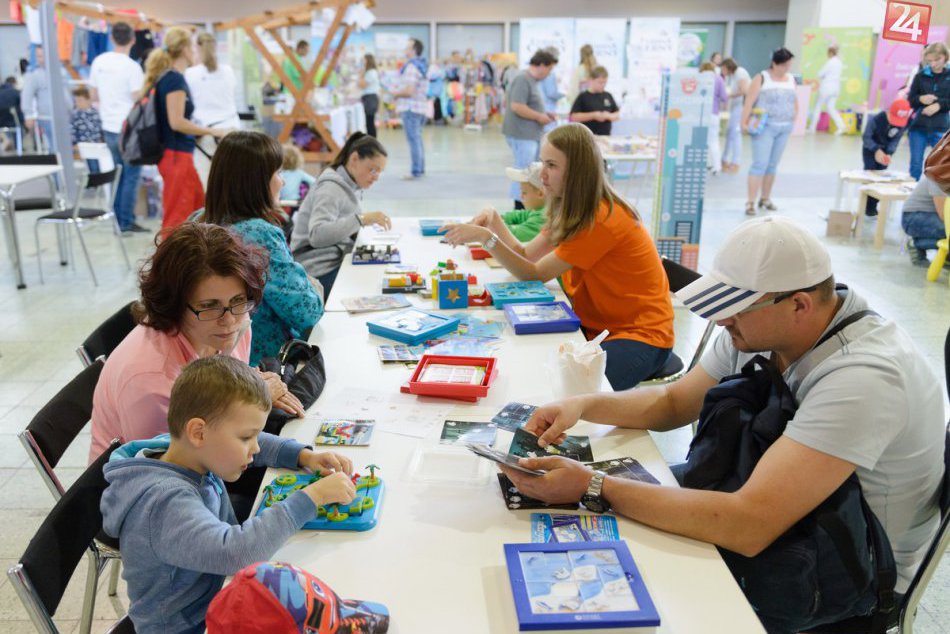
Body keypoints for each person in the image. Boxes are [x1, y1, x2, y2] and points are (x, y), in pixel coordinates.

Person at [501, 216, 944, 629]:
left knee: (628, 572)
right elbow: (674, 402)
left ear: (799, 304)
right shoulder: (765, 327)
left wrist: (594, 486)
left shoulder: (863, 377)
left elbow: (748, 526)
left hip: (850, 570)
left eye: (734, 307)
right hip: (772, 503)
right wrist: (582, 405)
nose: (719, 320)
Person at [101, 355, 357, 634]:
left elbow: (254, 438)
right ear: (199, 432)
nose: (255, 447)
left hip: (216, 599)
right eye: (246, 438)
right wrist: (312, 497)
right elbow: (236, 553)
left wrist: (303, 456)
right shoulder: (164, 502)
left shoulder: (179, 448)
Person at [441, 124, 675, 390]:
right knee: (542, 373)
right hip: (601, 329)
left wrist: (487, 238)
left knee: (570, 391)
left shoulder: (600, 218)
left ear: (577, 172)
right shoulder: (571, 208)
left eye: (551, 165)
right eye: (543, 162)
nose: (542, 174)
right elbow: (525, 254)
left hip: (641, 337)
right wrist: (494, 220)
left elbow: (534, 274)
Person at [89, 222, 305, 463]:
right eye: (209, 306)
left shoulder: (237, 321)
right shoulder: (152, 382)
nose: (229, 321)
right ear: (174, 304)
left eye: (238, 300)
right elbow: (170, 469)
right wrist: (257, 399)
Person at [198, 131, 324, 365]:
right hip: (262, 365)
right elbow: (307, 312)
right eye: (278, 173)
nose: (282, 182)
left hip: (213, 364)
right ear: (255, 181)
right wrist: (313, 285)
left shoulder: (197, 222)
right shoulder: (259, 235)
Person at [143, 26, 227, 232]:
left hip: (179, 154)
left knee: (197, 209)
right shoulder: (174, 79)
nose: (195, 52)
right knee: (178, 218)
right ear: (184, 49)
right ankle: (170, 253)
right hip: (176, 155)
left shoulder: (169, 77)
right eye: (192, 47)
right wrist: (211, 131)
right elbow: (177, 122)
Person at [290, 132, 391, 298]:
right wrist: (361, 219)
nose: (376, 177)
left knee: (380, 273)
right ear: (354, 159)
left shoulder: (348, 184)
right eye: (373, 170)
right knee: (373, 287)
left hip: (333, 260)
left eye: (380, 172)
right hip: (317, 268)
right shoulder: (331, 187)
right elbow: (317, 235)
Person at [89, 21, 148, 233]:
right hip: (129, 127)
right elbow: (137, 98)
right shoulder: (133, 67)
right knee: (131, 175)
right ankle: (125, 222)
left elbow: (93, 95)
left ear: (112, 38)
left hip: (108, 126)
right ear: (133, 39)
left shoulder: (99, 62)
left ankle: (118, 219)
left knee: (117, 173)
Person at [742, 47, 798, 215]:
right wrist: (743, 122)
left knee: (773, 165)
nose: (786, 68)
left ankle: (765, 198)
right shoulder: (761, 78)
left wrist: (794, 116)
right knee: (760, 164)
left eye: (788, 65)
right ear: (774, 63)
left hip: (784, 127)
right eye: (784, 65)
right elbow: (749, 101)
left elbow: (794, 100)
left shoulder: (791, 79)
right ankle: (750, 202)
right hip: (765, 127)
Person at [502, 49, 558, 208]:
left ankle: (526, 203)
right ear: (541, 65)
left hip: (529, 134)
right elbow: (517, 106)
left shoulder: (531, 81)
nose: (549, 74)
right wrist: (539, 117)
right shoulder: (523, 79)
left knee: (528, 170)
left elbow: (527, 105)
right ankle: (519, 205)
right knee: (523, 171)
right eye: (549, 69)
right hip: (522, 134)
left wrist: (544, 114)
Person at [862, 98, 912, 216]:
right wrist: (876, 150)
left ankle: (873, 206)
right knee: (870, 175)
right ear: (889, 112)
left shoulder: (903, 123)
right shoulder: (876, 119)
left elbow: (895, 140)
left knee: (882, 177)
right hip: (870, 149)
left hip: (885, 151)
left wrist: (889, 153)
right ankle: (865, 205)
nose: (896, 124)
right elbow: (866, 137)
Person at [907, 42, 950, 180]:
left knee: (941, 166)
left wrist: (939, 105)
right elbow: (911, 100)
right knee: (915, 164)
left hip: (941, 128)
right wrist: (921, 99)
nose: (933, 64)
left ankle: (936, 193)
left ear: (945, 57)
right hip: (918, 127)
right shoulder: (920, 76)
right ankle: (912, 190)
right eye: (930, 61)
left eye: (937, 60)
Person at [185, 32, 241, 130]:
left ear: (197, 48)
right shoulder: (228, 71)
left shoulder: (190, 73)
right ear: (215, 47)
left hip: (205, 129)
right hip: (231, 126)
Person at [19, 45, 70, 151]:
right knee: (55, 147)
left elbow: (68, 93)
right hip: (47, 117)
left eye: (42, 56)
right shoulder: (34, 74)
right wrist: (28, 115)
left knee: (64, 147)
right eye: (38, 56)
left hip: (65, 116)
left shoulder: (62, 71)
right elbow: (27, 96)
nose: (40, 59)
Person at [391, 38, 428, 180]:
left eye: (407, 47)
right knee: (417, 139)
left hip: (411, 108)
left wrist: (395, 94)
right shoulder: (421, 65)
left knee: (414, 140)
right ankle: (420, 169)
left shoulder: (412, 67)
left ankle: (416, 171)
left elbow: (409, 91)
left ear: (414, 50)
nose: (405, 50)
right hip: (419, 108)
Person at [901, 175, 947, 267]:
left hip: (930, 215)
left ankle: (945, 257)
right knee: (947, 231)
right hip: (913, 217)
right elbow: (943, 214)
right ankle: (916, 244)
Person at [500, 162, 547, 241]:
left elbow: (515, 235)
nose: (521, 197)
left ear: (540, 194)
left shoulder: (543, 217)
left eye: (524, 192)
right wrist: (501, 218)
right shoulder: (538, 210)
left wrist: (495, 224)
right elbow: (519, 215)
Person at [568, 66, 620, 137]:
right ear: (591, 80)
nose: (603, 85)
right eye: (600, 82)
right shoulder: (583, 96)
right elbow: (573, 117)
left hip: (605, 136)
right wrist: (593, 115)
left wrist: (608, 116)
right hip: (587, 137)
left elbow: (617, 114)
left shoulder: (608, 95)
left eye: (605, 82)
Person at [720, 58, 750, 173]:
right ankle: (725, 160)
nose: (722, 71)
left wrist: (729, 95)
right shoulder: (733, 75)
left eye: (723, 68)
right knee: (730, 133)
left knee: (735, 134)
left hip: (741, 107)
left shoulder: (740, 73)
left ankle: (735, 162)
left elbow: (745, 91)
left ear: (728, 67)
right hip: (736, 107)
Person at [809, 45, 846, 134]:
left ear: (830, 53)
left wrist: (822, 75)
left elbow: (820, 73)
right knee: (831, 108)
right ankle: (841, 126)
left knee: (818, 106)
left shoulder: (830, 62)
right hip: (835, 89)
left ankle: (812, 127)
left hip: (826, 88)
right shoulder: (839, 62)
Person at [700, 61, 728, 175]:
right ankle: (717, 166)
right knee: (713, 141)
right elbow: (724, 97)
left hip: (699, 114)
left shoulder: (698, 78)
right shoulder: (718, 79)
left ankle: (701, 164)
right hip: (713, 114)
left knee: (700, 141)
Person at [538, 47, 563, 134]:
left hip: (542, 109)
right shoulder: (550, 74)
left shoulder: (539, 73)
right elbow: (551, 93)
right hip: (548, 110)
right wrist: (564, 95)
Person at [358, 53, 380, 137]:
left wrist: (361, 75)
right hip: (369, 99)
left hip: (370, 99)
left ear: (368, 61)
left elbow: (362, 85)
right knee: (369, 122)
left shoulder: (371, 72)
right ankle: (371, 140)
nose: (362, 62)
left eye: (363, 60)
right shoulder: (369, 72)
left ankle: (372, 141)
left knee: (370, 122)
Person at [0, 76, 22, 152]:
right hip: (13, 120)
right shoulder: (15, 92)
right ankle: (17, 147)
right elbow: (20, 109)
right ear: (14, 83)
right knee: (18, 125)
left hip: (1, 122)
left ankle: (7, 141)